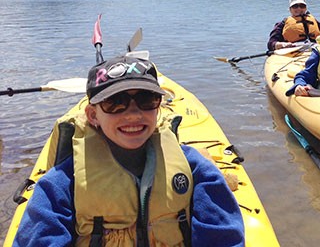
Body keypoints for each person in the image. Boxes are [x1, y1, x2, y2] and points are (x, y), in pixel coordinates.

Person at [14, 55, 244, 246]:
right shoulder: (61, 184)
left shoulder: (195, 169)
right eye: (115, 103)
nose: (133, 114)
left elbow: (222, 235)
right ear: (93, 115)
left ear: (159, 108)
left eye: (146, 100)